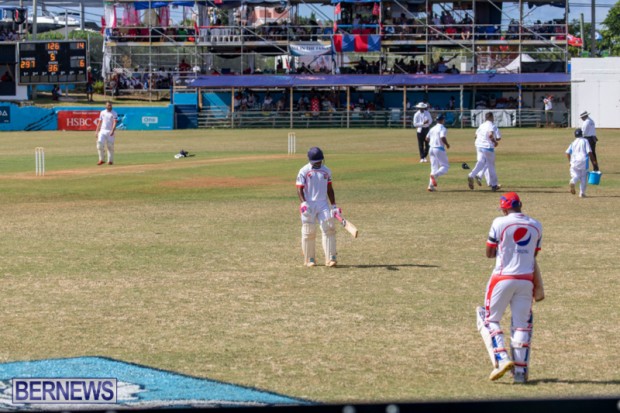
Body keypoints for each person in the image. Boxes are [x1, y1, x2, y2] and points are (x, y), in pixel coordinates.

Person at [476, 192, 543, 384]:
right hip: (526, 279)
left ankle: (502, 358)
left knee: (488, 319)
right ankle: (520, 374)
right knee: (522, 325)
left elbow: (489, 253)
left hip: (502, 277)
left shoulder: (499, 222)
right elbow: (533, 254)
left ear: (504, 209)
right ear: (520, 204)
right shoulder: (536, 225)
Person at [296, 147, 340, 267]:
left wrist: (334, 205)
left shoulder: (326, 171)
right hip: (309, 204)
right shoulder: (304, 171)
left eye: (320, 161)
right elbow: (299, 189)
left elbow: (329, 189)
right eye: (317, 162)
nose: (319, 163)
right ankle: (309, 259)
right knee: (309, 231)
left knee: (329, 228)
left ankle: (331, 258)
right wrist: (303, 203)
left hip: (323, 204)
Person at [468, 112, 501, 191]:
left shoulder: (481, 125)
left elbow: (475, 136)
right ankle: (494, 185)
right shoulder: (490, 125)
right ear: (491, 117)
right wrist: (495, 142)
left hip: (479, 146)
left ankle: (471, 175)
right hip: (487, 147)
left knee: (481, 162)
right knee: (491, 166)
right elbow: (490, 135)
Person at [566, 128, 597, 198]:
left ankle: (573, 181)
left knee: (575, 175)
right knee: (583, 177)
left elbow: (567, 153)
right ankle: (582, 193)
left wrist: (570, 161)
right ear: (582, 134)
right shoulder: (585, 141)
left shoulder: (573, 142)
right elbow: (589, 152)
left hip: (574, 162)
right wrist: (594, 162)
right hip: (583, 162)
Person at [426, 114, 450, 192]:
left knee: (434, 168)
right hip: (439, 148)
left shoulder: (432, 128)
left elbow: (427, 138)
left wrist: (433, 142)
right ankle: (435, 175)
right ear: (442, 120)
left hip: (431, 149)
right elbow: (442, 137)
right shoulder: (443, 128)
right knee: (445, 166)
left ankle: (430, 186)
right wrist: (447, 144)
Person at [94, 101, 118, 165]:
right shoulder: (102, 112)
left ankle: (110, 160)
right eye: (108, 105)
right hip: (102, 131)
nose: (110, 106)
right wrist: (97, 131)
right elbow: (99, 122)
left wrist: (112, 130)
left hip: (110, 131)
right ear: (106, 106)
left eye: (111, 105)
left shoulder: (114, 113)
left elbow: (115, 122)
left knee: (110, 146)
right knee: (99, 144)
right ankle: (101, 159)